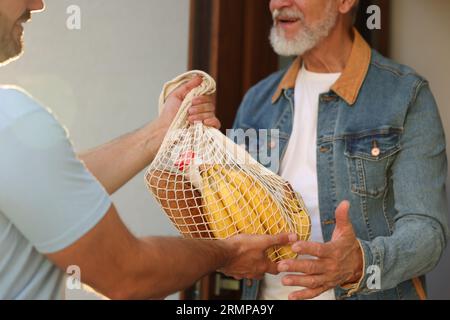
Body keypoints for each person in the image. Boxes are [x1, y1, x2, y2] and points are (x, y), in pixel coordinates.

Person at [0, 0, 296, 300]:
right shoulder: (10, 120)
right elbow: (128, 274)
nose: (36, 5)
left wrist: (159, 133)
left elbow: (49, 186)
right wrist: (229, 252)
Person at [232, 0, 448, 300]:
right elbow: (225, 218)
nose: (278, 3)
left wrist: (360, 262)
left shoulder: (406, 96)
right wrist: (191, 140)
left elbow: (428, 232)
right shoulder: (256, 102)